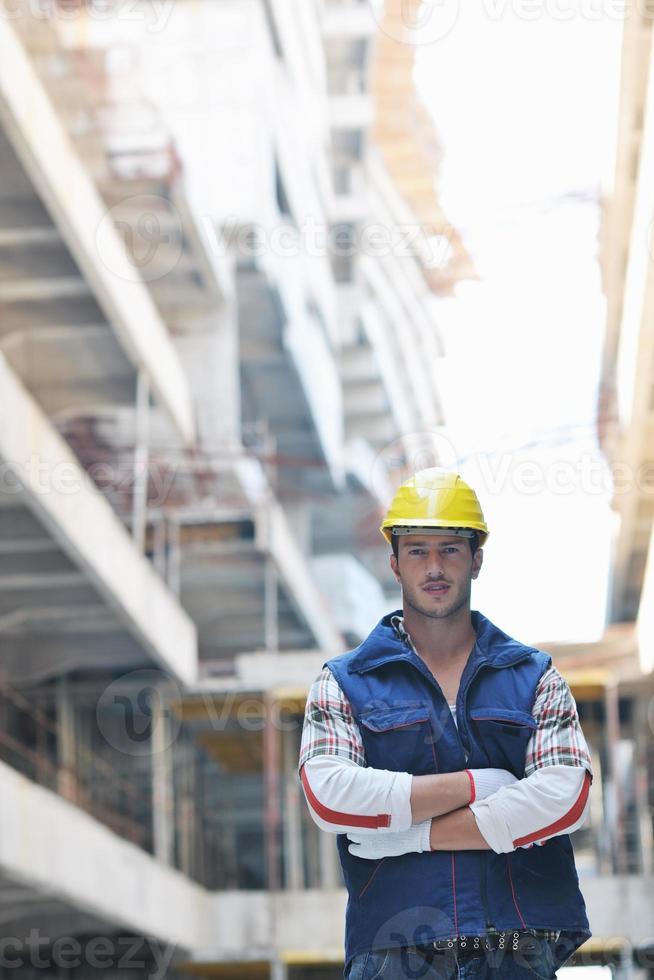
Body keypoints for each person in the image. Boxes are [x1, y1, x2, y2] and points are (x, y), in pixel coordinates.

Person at [298, 469, 593, 979]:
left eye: (450, 549)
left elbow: (566, 796)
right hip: (395, 949)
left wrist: (415, 835)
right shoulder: (343, 682)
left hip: (515, 943)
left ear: (477, 559)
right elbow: (330, 795)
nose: (434, 567)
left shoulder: (534, 676)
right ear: (394, 562)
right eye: (417, 550)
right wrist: (480, 784)